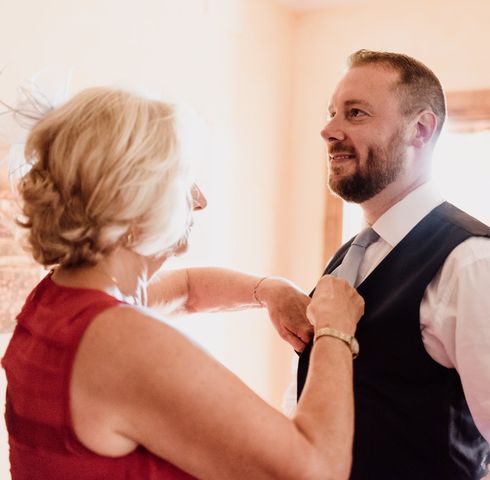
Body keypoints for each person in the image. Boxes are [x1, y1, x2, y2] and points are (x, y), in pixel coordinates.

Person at [1, 87, 364, 479]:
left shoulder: (58, 298)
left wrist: (269, 290)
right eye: (185, 180)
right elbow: (315, 469)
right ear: (134, 197)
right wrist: (334, 329)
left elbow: (188, 290)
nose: (200, 199)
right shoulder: (122, 340)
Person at [295, 50, 490, 479]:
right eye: (332, 112)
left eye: (355, 113)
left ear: (420, 129)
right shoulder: (347, 259)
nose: (329, 129)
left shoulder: (473, 266)